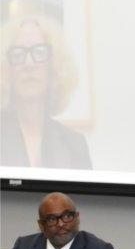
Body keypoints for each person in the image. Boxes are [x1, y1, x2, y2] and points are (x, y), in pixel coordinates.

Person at [1, 15, 92, 169]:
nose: (29, 64)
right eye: (18, 54)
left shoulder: (75, 145)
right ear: (5, 68)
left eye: (39, 52)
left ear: (54, 66)